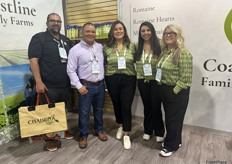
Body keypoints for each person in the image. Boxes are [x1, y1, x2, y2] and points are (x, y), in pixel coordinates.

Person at [28, 13, 74, 152]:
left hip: (65, 85)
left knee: (62, 111)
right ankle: (49, 139)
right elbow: (33, 61)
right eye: (53, 21)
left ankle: (60, 132)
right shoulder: (39, 38)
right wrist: (38, 82)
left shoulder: (66, 40)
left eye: (58, 21)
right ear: (47, 23)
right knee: (48, 114)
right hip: (48, 85)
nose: (56, 23)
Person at [67, 22, 107, 149]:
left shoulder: (100, 47)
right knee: (84, 112)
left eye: (93, 31)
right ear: (82, 33)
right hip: (85, 86)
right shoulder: (75, 50)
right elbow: (70, 70)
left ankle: (99, 130)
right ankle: (83, 135)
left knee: (99, 110)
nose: (91, 34)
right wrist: (79, 86)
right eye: (88, 31)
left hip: (100, 85)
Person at [155, 24, 193, 157]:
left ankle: (171, 146)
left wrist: (173, 92)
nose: (168, 36)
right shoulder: (165, 52)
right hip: (164, 89)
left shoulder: (183, 53)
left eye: (171, 33)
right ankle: (176, 141)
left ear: (178, 35)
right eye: (166, 33)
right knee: (173, 119)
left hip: (177, 91)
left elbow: (186, 79)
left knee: (173, 120)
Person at [103, 20, 136, 150]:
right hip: (112, 78)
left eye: (120, 28)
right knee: (117, 104)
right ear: (112, 31)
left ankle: (126, 133)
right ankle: (121, 126)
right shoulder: (106, 47)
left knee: (126, 105)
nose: (118, 31)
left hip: (129, 78)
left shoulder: (132, 46)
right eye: (115, 29)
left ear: (124, 31)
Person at [135, 22, 165, 142]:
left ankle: (159, 132)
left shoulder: (161, 45)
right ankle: (148, 130)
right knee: (147, 107)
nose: (146, 33)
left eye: (148, 30)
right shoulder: (137, 46)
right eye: (143, 31)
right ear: (140, 33)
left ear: (152, 31)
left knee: (156, 107)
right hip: (142, 80)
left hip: (156, 81)